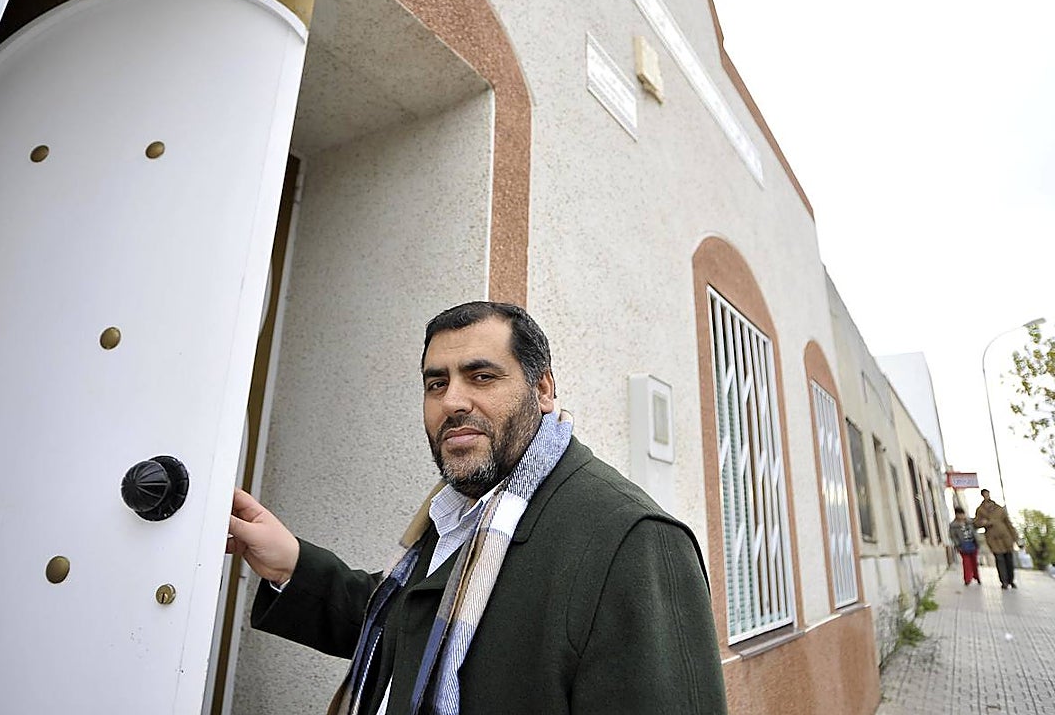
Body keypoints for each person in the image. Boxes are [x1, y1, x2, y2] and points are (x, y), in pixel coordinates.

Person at [228, 301, 727, 714]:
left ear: (544, 389)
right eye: (436, 383)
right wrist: (292, 564)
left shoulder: (633, 539)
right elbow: (402, 623)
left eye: (482, 376)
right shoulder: (458, 511)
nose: (452, 401)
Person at [973, 488, 1020, 589]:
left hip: (1006, 537)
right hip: (993, 538)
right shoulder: (980, 510)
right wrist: (983, 523)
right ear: (982, 495)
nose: (986, 496)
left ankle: (1011, 580)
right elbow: (976, 523)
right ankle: (1004, 581)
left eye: (987, 494)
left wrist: (1015, 536)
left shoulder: (998, 508)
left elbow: (1008, 522)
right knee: (999, 559)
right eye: (984, 494)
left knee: (1009, 559)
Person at [948, 507, 980, 585]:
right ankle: (967, 579)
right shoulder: (953, 525)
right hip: (962, 545)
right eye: (959, 514)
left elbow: (976, 528)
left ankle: (976, 576)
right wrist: (958, 545)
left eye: (962, 514)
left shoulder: (969, 522)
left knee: (974, 562)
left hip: (972, 544)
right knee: (966, 562)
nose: (962, 516)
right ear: (956, 515)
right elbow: (952, 536)